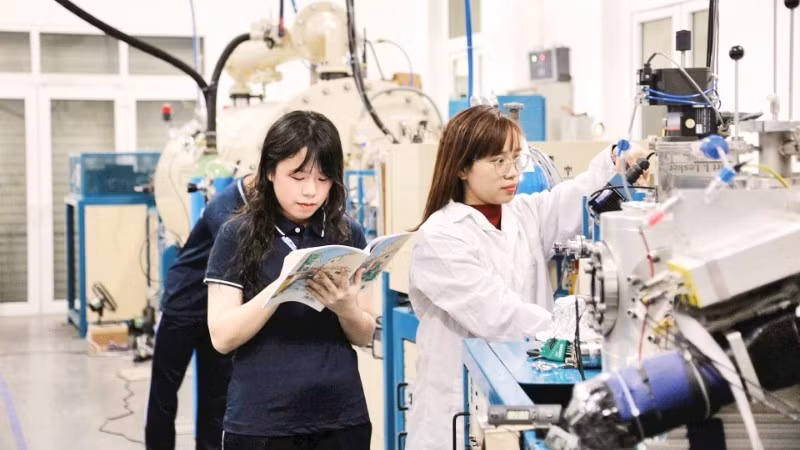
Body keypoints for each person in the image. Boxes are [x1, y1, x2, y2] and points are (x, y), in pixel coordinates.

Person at [406, 105, 630, 449]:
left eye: (516, 159)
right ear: (462, 167)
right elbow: (499, 314)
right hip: (456, 413)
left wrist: (615, 159)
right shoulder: (440, 237)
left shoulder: (523, 214)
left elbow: (577, 196)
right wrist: (578, 332)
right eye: (498, 161)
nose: (512, 173)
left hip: (521, 392)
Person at [204, 110, 375, 450]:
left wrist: (345, 308)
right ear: (269, 171)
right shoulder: (236, 234)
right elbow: (222, 337)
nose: (311, 191)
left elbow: (364, 334)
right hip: (262, 423)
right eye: (298, 177)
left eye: (323, 178)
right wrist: (280, 288)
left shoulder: (346, 233)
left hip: (342, 418)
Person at [145, 174, 251, 450]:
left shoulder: (252, 204)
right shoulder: (224, 207)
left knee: (215, 400)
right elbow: (245, 257)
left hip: (217, 312)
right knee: (164, 395)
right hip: (183, 304)